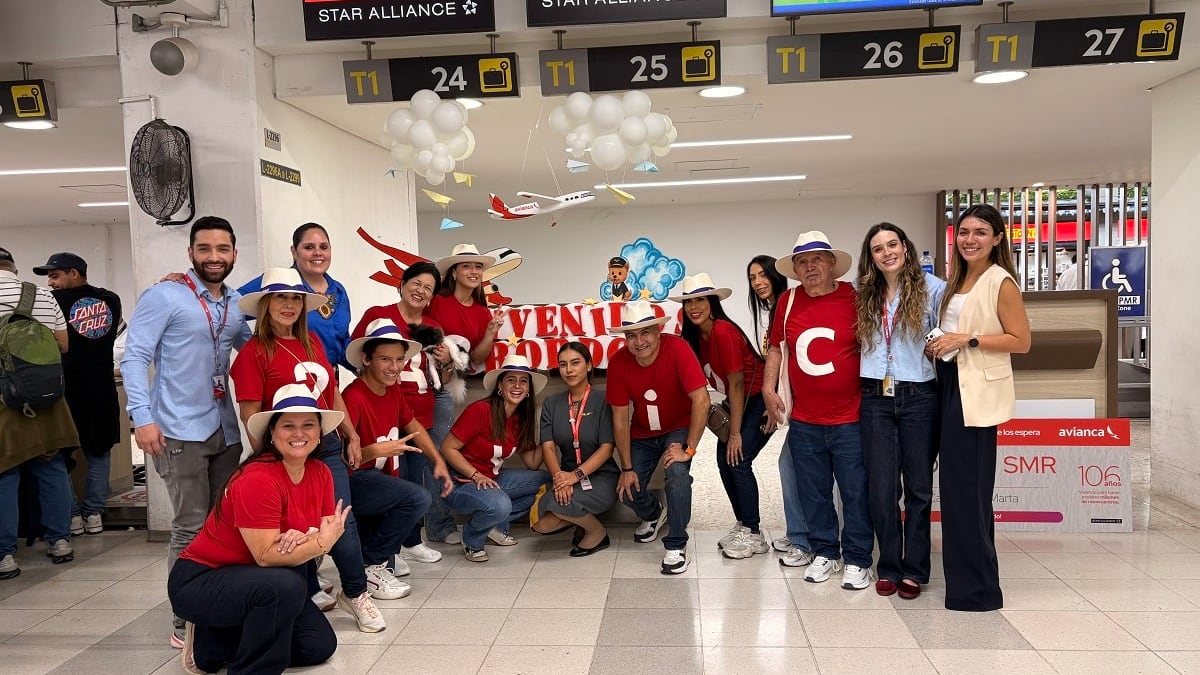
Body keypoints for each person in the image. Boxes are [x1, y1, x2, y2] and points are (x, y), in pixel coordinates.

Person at [228, 267, 386, 632]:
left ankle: (356, 592)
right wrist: (270, 462)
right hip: (284, 452)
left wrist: (351, 434)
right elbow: (250, 415)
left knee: (339, 520)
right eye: (280, 298)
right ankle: (307, 587)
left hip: (325, 446)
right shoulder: (253, 353)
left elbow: (330, 394)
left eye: (295, 298)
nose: (288, 305)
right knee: (293, 526)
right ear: (265, 304)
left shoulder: (313, 340)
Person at [121, 216, 252, 647]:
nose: (214, 257)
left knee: (223, 524)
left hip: (225, 430)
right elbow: (135, 357)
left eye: (222, 249)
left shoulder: (234, 304)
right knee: (190, 527)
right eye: (205, 249)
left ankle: (217, 605)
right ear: (191, 253)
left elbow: (253, 354)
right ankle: (185, 617)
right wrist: (142, 417)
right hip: (177, 429)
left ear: (234, 253)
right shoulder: (165, 295)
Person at [169, 385, 348, 675]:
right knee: (286, 583)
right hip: (203, 579)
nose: (299, 434)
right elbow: (267, 554)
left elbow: (318, 530)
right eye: (288, 426)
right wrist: (319, 542)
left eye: (308, 425)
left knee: (318, 645)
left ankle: (213, 643)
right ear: (272, 435)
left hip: (260, 579)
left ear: (319, 433)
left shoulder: (320, 472)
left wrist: (305, 539)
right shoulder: (259, 478)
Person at [926, 204, 1030, 612]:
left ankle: (977, 591)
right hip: (950, 385)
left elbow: (1020, 341)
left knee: (967, 493)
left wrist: (966, 339)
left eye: (980, 232)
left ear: (998, 239)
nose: (970, 239)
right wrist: (941, 343)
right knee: (956, 492)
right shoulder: (958, 278)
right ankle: (968, 584)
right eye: (964, 231)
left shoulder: (1000, 281)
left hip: (976, 397)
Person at [763, 231, 873, 590]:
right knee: (813, 490)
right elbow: (777, 348)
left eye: (816, 260)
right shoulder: (788, 301)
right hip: (806, 419)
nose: (809, 267)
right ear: (794, 269)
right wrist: (768, 387)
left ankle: (858, 558)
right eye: (801, 262)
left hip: (850, 417)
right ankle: (825, 549)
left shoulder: (854, 298)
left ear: (831, 265)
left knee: (855, 491)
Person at [855, 223, 945, 599]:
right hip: (875, 395)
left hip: (919, 395)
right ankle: (889, 564)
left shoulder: (933, 289)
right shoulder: (863, 294)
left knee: (919, 489)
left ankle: (916, 569)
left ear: (906, 248)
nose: (887, 252)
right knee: (882, 488)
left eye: (893, 244)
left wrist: (935, 343)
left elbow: (949, 333)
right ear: (871, 257)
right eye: (878, 248)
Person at [341, 319, 455, 599]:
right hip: (357, 481)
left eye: (399, 360)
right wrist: (373, 451)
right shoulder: (353, 397)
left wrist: (437, 459)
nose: (394, 367)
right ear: (366, 359)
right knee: (417, 498)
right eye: (385, 359)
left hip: (379, 479)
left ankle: (374, 565)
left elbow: (412, 423)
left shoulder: (391, 390)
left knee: (403, 506)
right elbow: (342, 462)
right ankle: (372, 567)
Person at [351, 261, 452, 563]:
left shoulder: (433, 327)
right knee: (395, 480)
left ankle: (408, 540)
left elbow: (439, 378)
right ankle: (386, 548)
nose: (421, 291)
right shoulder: (378, 316)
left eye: (428, 289)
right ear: (403, 284)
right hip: (385, 411)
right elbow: (357, 353)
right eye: (416, 283)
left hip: (418, 412)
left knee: (415, 478)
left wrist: (446, 362)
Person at [608, 300, 710, 574]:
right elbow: (619, 418)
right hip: (642, 433)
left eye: (645, 333)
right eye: (631, 335)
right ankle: (654, 513)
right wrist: (627, 467)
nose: (639, 341)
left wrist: (689, 449)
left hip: (677, 428)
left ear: (658, 331)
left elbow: (701, 400)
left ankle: (676, 545)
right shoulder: (618, 362)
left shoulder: (677, 348)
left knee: (677, 475)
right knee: (627, 490)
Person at [674, 273, 770, 560]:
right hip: (741, 398)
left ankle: (754, 533)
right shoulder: (695, 336)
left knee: (737, 458)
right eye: (689, 301)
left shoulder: (722, 331)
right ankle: (744, 524)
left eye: (700, 299)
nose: (694, 306)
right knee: (724, 458)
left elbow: (739, 384)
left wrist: (737, 433)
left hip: (759, 399)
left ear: (712, 302)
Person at [0, 247, 77, 579]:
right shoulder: (43, 295)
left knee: (5, 473)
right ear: (13, 269)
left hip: (4, 399)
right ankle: (60, 541)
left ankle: (5, 556)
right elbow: (63, 345)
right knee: (52, 466)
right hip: (48, 397)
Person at [34, 252, 123, 536]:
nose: (50, 283)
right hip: (101, 389)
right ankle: (94, 513)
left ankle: (71, 516)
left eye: (54, 275)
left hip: (63, 391)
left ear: (74, 273)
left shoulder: (51, 303)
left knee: (60, 455)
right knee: (100, 452)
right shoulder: (111, 300)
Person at [423, 243, 507, 544]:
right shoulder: (437, 303)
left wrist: (490, 332)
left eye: (477, 267)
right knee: (435, 456)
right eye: (467, 266)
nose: (473, 271)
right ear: (454, 272)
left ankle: (442, 522)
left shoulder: (484, 310)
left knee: (440, 453)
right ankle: (438, 526)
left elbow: (478, 358)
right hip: (427, 385)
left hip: (453, 387)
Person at [439, 355, 549, 562]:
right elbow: (447, 448)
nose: (517, 386)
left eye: (523, 381)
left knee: (546, 481)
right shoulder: (481, 410)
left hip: (493, 479)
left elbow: (533, 463)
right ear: (500, 384)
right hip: (459, 483)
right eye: (511, 380)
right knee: (500, 505)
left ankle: (493, 525)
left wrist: (551, 434)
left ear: (528, 390)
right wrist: (476, 475)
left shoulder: (520, 419)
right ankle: (472, 540)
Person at [747, 255, 811, 565]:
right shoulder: (774, 311)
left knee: (792, 466)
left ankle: (805, 534)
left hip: (807, 403)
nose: (757, 281)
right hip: (790, 401)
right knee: (790, 466)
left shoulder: (790, 305)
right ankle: (800, 531)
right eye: (752, 277)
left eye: (762, 274)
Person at [529, 342, 618, 556]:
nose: (569, 370)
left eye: (575, 363)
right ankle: (579, 521)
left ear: (588, 366)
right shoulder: (552, 402)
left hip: (600, 475)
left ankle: (596, 532)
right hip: (563, 475)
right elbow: (548, 447)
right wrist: (560, 478)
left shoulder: (604, 399)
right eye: (563, 364)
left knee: (563, 506)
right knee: (541, 524)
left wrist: (575, 476)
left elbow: (607, 448)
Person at [239, 223, 354, 374]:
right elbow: (232, 309)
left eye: (324, 247)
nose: (318, 253)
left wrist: (364, 367)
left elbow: (341, 341)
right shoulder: (277, 284)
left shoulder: (338, 291)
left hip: (328, 382)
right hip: (287, 378)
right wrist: (250, 345)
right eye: (309, 247)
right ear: (294, 251)